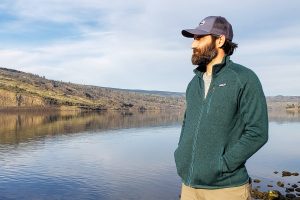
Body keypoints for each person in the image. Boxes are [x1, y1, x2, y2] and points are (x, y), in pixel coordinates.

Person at [174, 16, 269, 200]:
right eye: (194, 38)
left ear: (220, 40)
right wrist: (181, 156)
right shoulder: (194, 83)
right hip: (189, 187)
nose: (193, 45)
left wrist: (223, 165)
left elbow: (258, 132)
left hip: (226, 189)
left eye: (199, 38)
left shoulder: (244, 78)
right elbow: (187, 124)